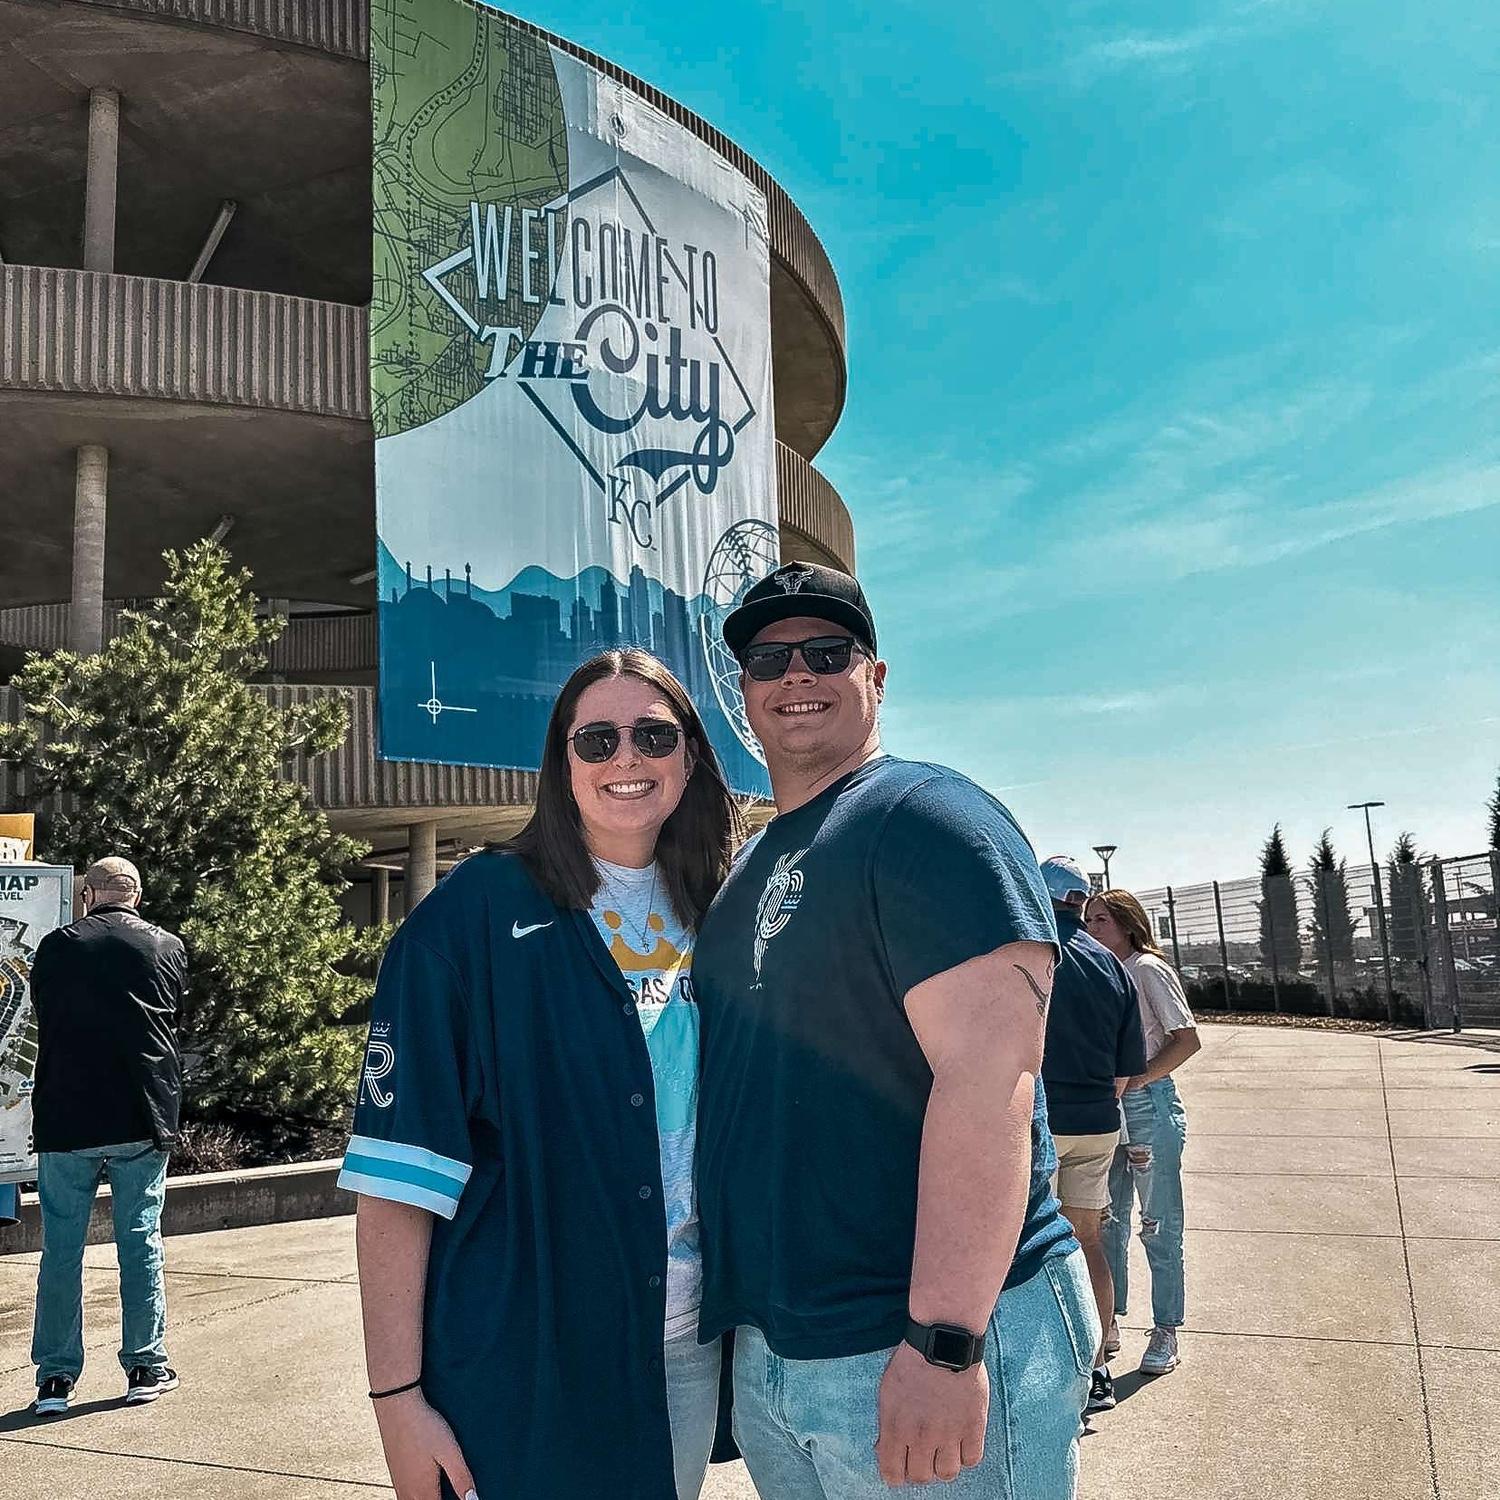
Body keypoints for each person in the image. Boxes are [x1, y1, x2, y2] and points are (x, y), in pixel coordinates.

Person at [693, 562, 1097, 1500]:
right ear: (745, 692)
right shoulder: (751, 865)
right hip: (784, 1355)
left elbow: (989, 1083)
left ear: (876, 677)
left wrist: (946, 1343)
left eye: (827, 653)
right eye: (768, 659)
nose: (796, 676)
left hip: (919, 1344)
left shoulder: (928, 819)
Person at [338, 649, 740, 1500]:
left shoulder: (722, 910)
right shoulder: (470, 919)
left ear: (690, 755)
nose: (626, 758)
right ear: (561, 764)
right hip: (525, 1358)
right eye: (596, 739)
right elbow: (396, 1185)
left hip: (684, 1345)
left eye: (653, 735)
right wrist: (396, 1398)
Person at [27, 856, 188, 1416]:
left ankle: (55, 1379)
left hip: (67, 1114)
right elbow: (169, 1020)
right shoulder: (166, 946)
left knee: (61, 1247)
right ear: (136, 896)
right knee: (139, 1238)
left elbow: (45, 1011)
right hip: (141, 1113)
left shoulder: (56, 946)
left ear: (88, 895)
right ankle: (145, 1365)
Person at [1038, 856, 1145, 1416]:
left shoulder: (1033, 952)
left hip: (1044, 1122)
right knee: (1088, 1240)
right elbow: (1127, 1072)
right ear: (1083, 902)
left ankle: (1048, 1372)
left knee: (1027, 1247)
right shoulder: (1111, 965)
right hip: (1100, 1122)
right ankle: (1101, 1365)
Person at [1085, 888, 1202, 1377]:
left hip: (1148, 1107)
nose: (1092, 929)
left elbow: (1187, 1038)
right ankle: (1109, 1322)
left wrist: (1141, 1077)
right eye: (1088, 920)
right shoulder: (1100, 970)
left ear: (1128, 924)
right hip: (1111, 1108)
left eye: (1102, 921)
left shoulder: (1147, 969)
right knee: (1108, 1220)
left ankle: (1166, 1327)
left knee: (1158, 1223)